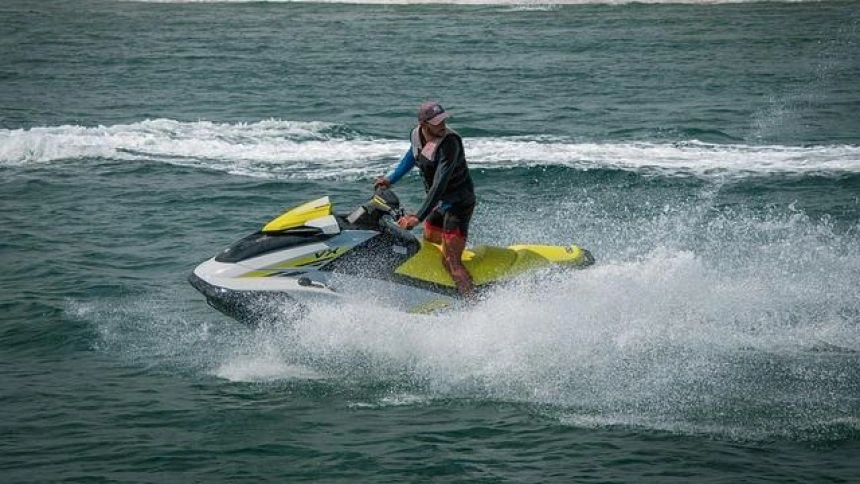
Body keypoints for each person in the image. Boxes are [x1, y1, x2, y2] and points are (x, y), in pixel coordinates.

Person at [376, 101, 476, 298]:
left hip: (459, 203)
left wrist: (417, 217)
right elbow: (412, 155)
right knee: (429, 244)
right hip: (439, 204)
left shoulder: (450, 142)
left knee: (450, 261)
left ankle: (473, 303)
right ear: (424, 124)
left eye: (443, 120)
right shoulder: (416, 134)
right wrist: (390, 179)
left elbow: (440, 183)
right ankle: (439, 290)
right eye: (437, 122)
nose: (442, 125)